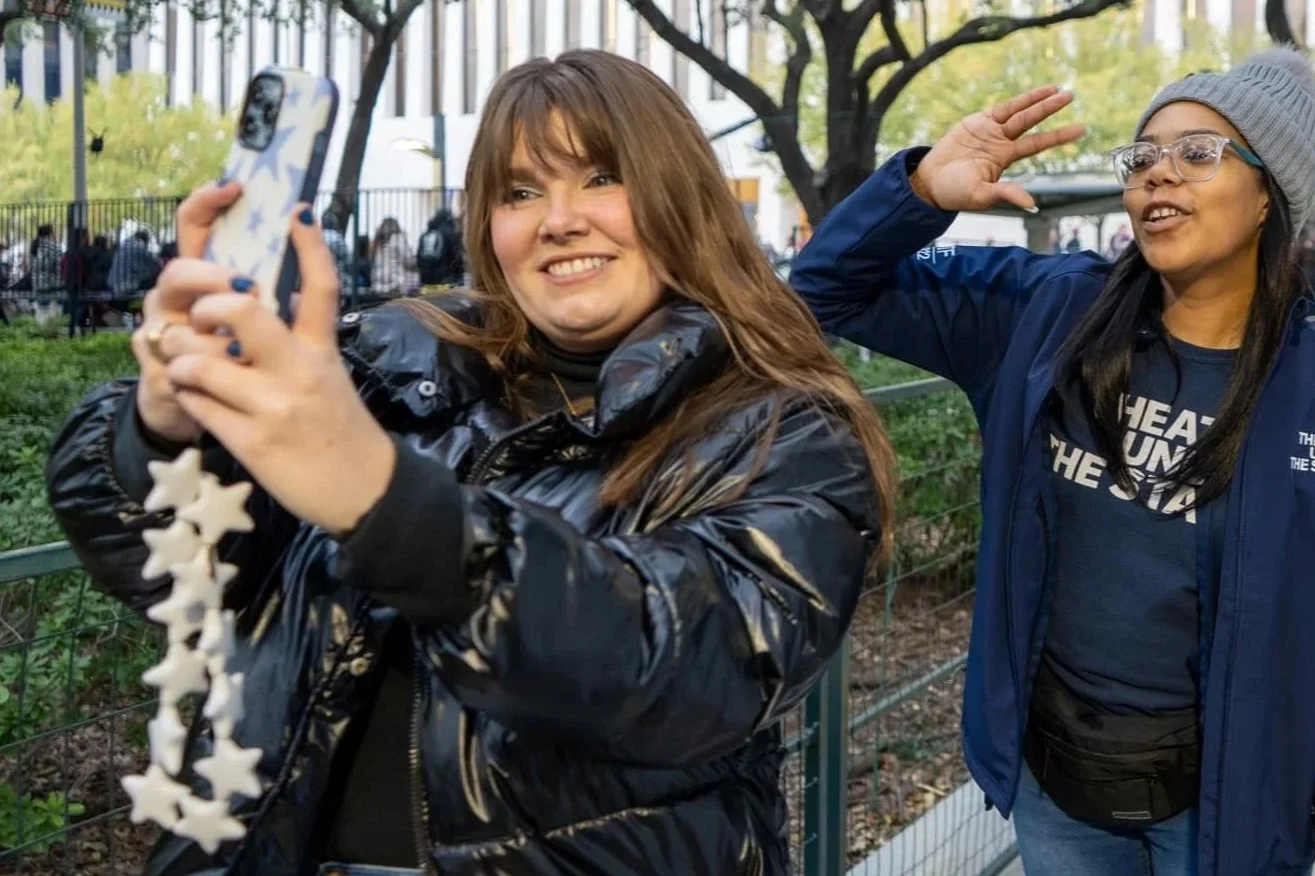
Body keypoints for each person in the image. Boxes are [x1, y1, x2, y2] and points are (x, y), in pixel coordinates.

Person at [47, 49, 893, 876]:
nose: (559, 219)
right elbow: (176, 569)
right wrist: (165, 422)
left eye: (601, 177)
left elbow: (681, 667)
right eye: (520, 192)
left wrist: (385, 500)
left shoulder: (785, 431)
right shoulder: (387, 364)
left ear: (684, 199)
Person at [791, 47, 1315, 876]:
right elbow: (823, 287)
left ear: (1267, 197)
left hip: (1225, 805)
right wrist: (923, 189)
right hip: (1056, 788)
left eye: (1197, 153)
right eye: (1142, 158)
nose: (1157, 176)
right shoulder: (1044, 311)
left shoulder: (1302, 378)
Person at [369, 216, 419, 295]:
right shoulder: (397, 238)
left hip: (378, 286)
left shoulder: (376, 243)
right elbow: (408, 260)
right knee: (415, 277)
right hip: (395, 285)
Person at [415, 206, 465, 287]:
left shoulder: (426, 234)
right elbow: (456, 258)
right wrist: (459, 274)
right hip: (446, 281)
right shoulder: (449, 233)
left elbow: (419, 257)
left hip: (426, 282)